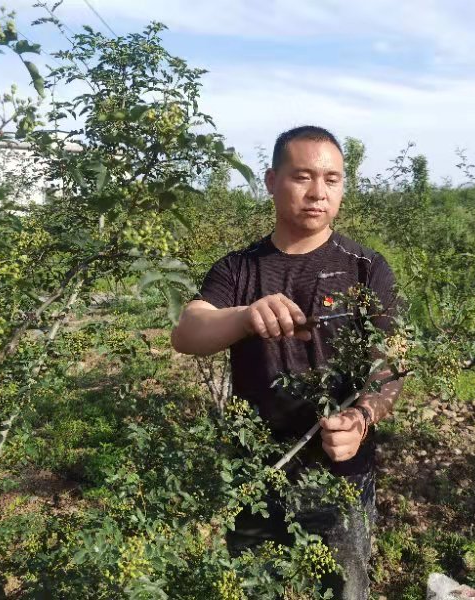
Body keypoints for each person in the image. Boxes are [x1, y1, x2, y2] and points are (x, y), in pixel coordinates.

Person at [171, 125, 404, 599]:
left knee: (343, 586)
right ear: (271, 180)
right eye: (303, 176)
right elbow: (188, 332)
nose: (319, 192)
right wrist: (244, 315)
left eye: (333, 179)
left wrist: (362, 417)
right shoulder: (239, 269)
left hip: (341, 472)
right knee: (255, 585)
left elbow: (392, 364)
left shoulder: (366, 267)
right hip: (257, 467)